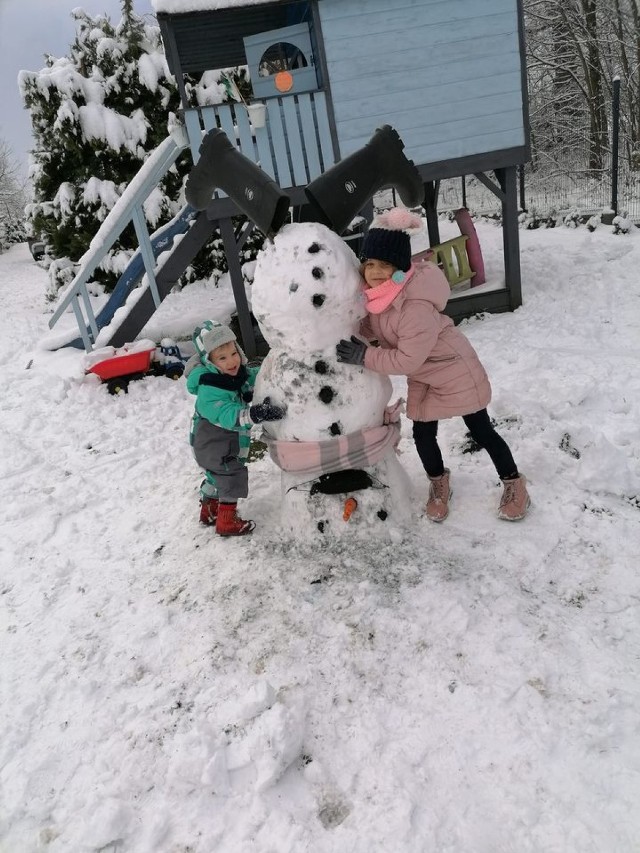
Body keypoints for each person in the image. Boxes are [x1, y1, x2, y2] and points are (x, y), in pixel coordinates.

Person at [336, 208, 530, 522]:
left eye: (384, 265)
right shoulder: (381, 296)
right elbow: (377, 327)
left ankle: (514, 482)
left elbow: (406, 358)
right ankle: (439, 484)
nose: (374, 271)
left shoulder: (414, 305)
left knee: (481, 430)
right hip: (424, 376)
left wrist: (365, 356)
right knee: (423, 435)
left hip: (453, 367)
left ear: (400, 269)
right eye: (369, 263)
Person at [185, 320, 285, 536]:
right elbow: (227, 415)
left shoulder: (232, 374)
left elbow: (252, 376)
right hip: (212, 443)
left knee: (216, 475)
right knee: (231, 474)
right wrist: (254, 414)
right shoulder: (209, 387)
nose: (232, 362)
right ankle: (226, 522)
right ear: (209, 361)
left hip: (218, 442)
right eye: (222, 357)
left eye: (234, 353)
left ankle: (208, 511)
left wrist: (271, 370)